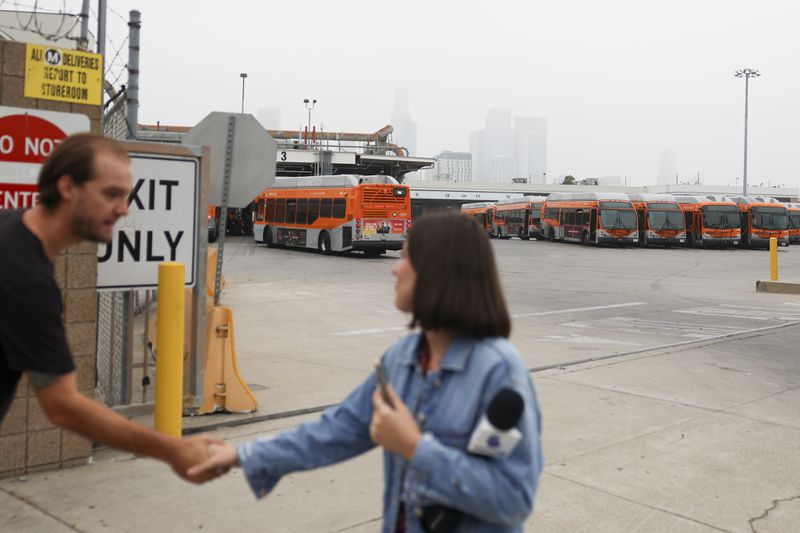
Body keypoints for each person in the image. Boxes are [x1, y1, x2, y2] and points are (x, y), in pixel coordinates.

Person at [189, 211, 543, 531]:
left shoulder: (499, 373)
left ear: (438, 273)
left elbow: (513, 499)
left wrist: (415, 447)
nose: (395, 268)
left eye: (406, 258)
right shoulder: (403, 358)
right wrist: (242, 455)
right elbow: (339, 429)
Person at [0, 133, 218, 482]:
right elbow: (64, 407)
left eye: (126, 196)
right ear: (68, 187)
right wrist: (172, 449)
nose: (123, 209)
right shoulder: (26, 279)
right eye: (111, 194)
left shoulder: (10, 226)